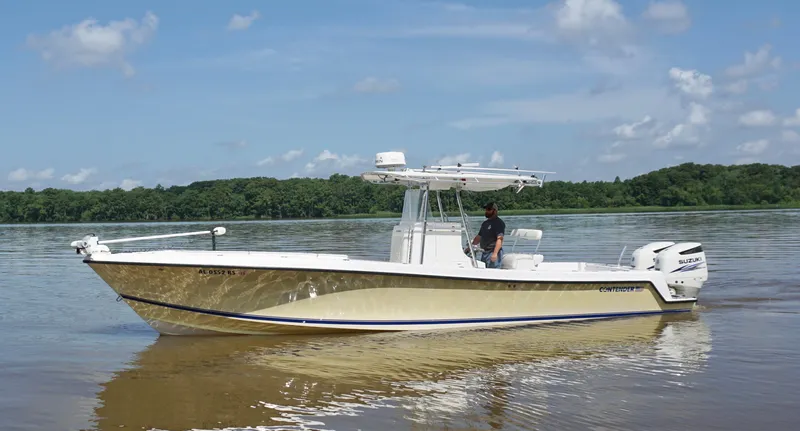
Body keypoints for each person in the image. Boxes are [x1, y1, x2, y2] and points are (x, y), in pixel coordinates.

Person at [465, 202, 505, 268]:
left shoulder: (498, 223)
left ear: (495, 211)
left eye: (489, 209)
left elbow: (500, 239)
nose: (486, 211)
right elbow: (478, 237)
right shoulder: (485, 223)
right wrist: (470, 248)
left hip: (493, 252)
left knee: (493, 272)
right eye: (486, 209)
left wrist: (495, 254)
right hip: (485, 252)